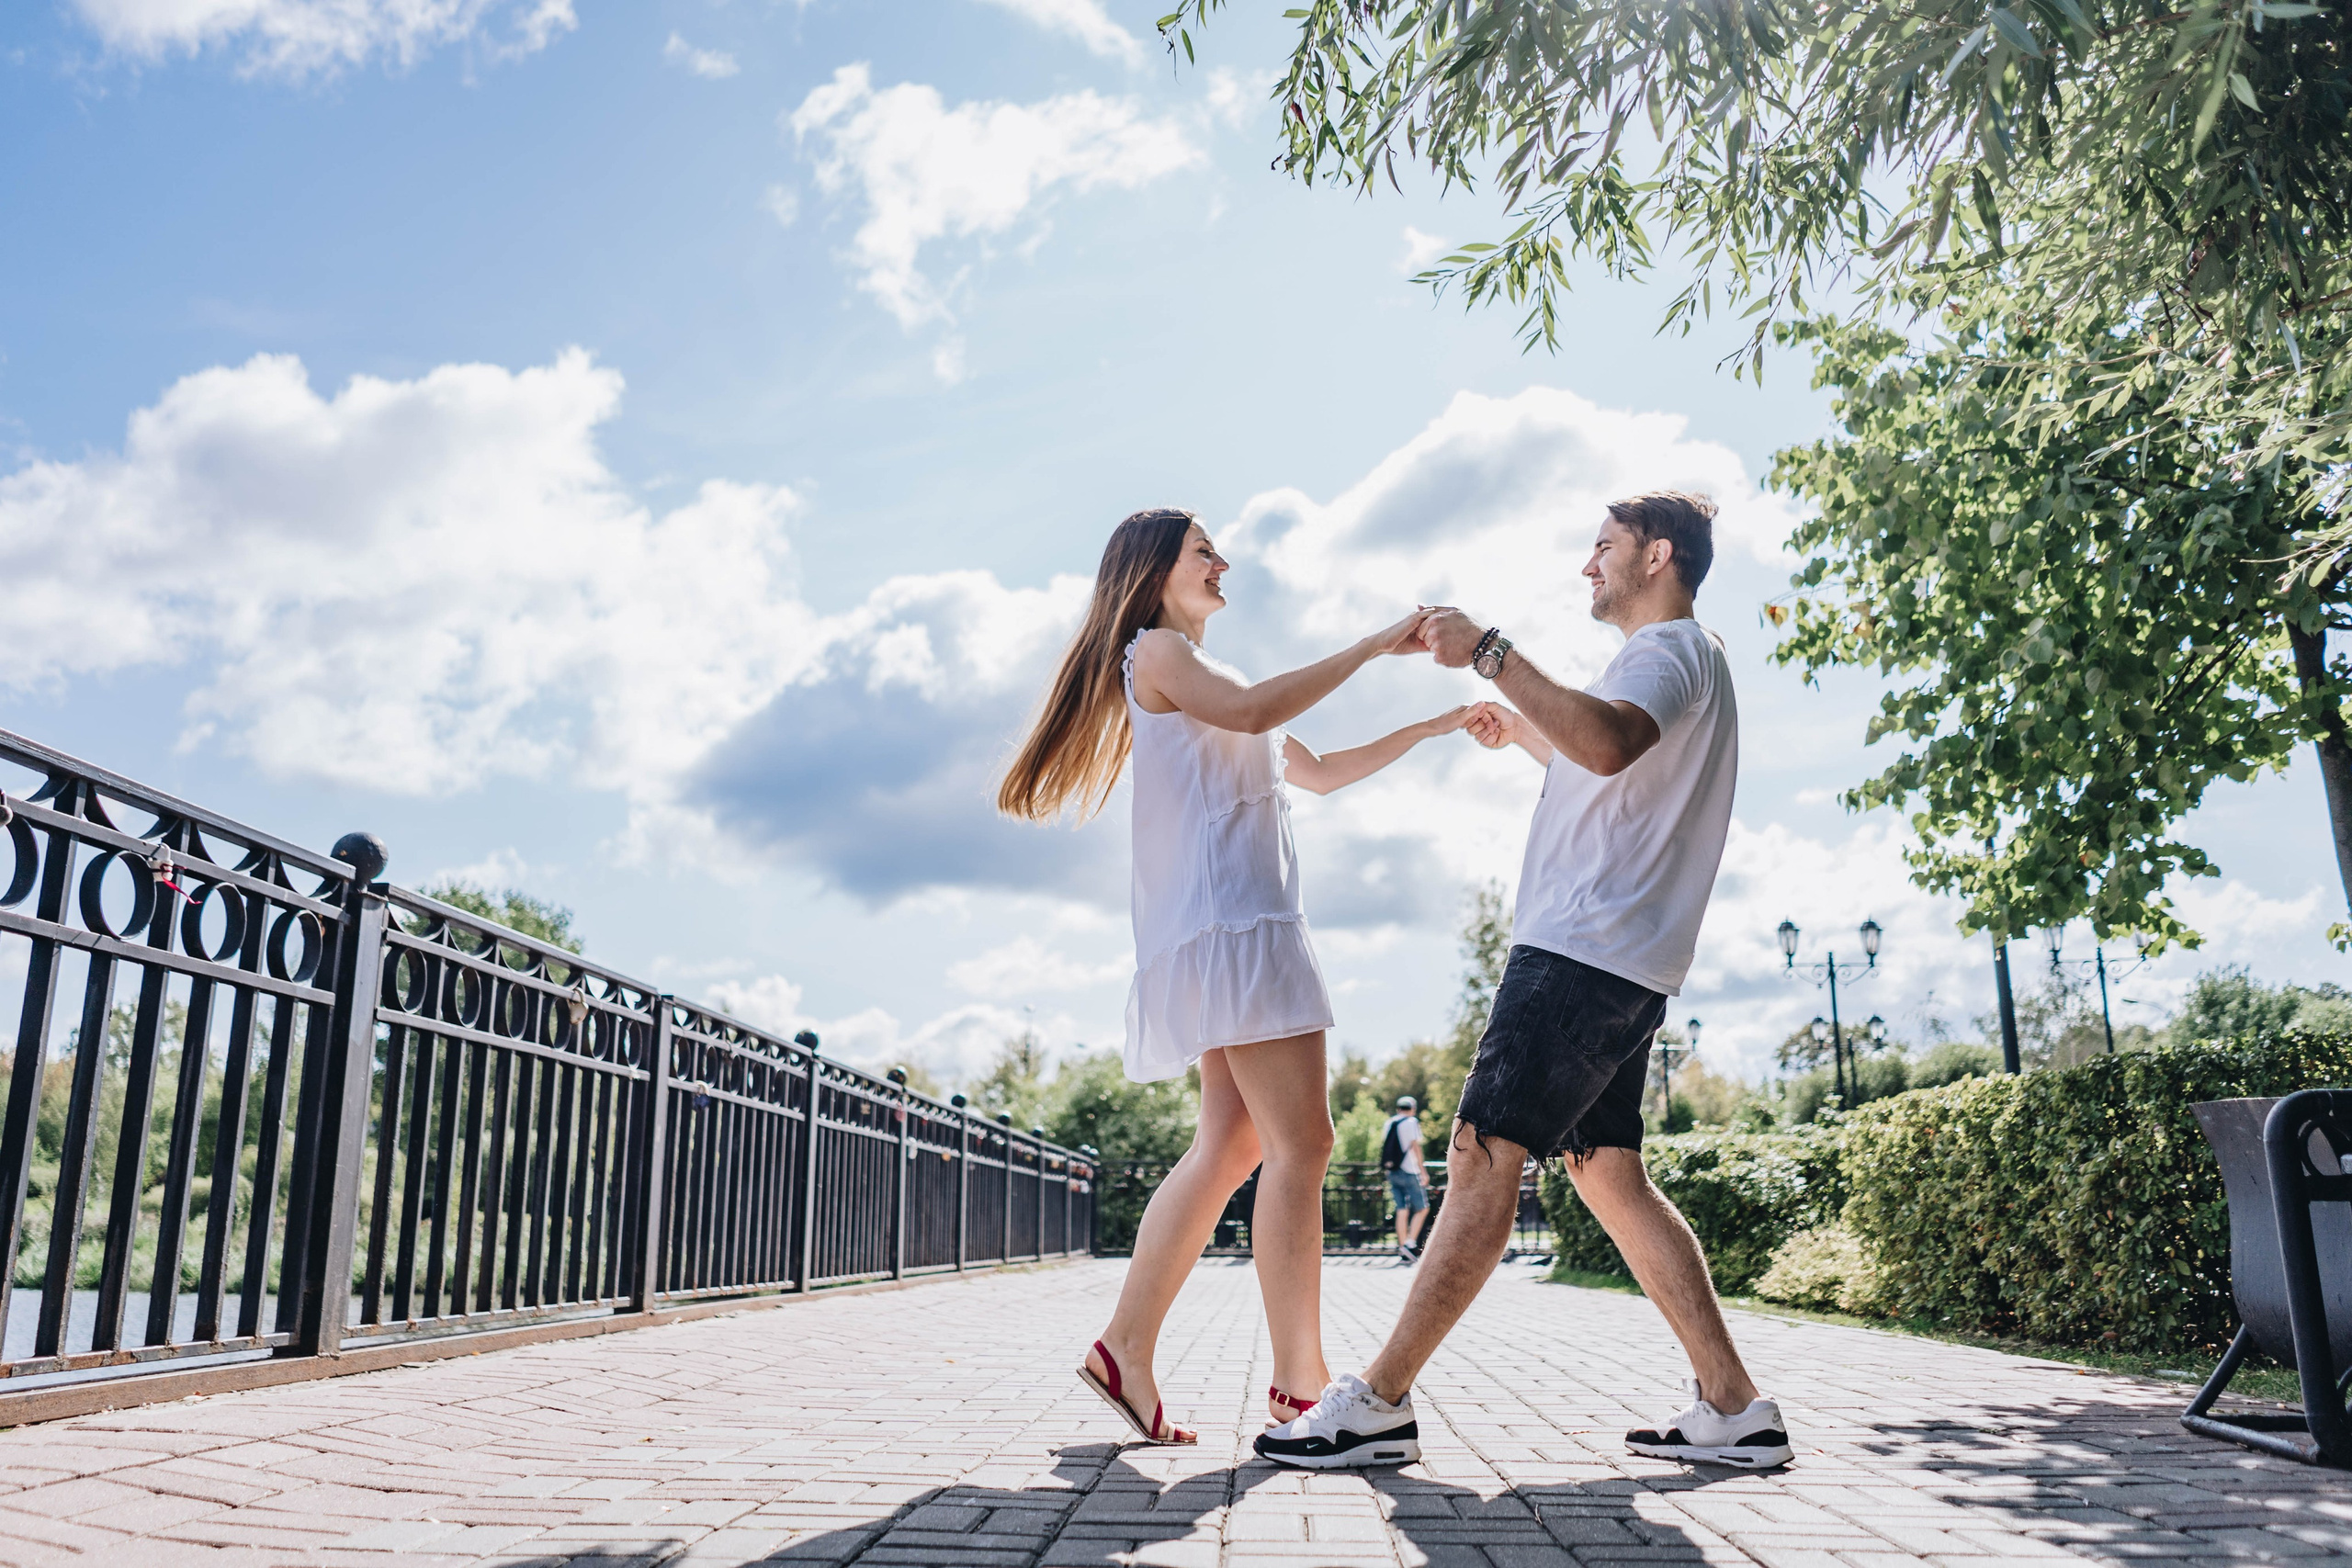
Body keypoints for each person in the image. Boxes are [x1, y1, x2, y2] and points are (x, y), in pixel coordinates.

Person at [1257, 491, 1793, 1472]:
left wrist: (1489, 650)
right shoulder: (1684, 662)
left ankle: (1376, 1401)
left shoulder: (1668, 649)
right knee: (1607, 1173)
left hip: (1580, 954)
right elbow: (1601, 758)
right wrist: (1526, 733)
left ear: (1656, 556)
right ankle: (1733, 1407)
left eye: (1602, 549)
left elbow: (1607, 743)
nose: (1587, 568)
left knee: (1478, 1155)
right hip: (1626, 959)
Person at [999, 506, 1473, 1444]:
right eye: (1201, 551)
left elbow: (1322, 770)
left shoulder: (1201, 676)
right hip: (1239, 928)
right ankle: (1303, 1386)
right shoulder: (1157, 654)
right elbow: (1260, 714)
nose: (1223, 563)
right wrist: (1380, 641)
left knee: (1232, 1147)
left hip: (1227, 930)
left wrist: (1438, 724)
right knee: (1304, 1144)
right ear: (1152, 572)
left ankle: (1123, 1352)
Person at [1378, 1096, 1429, 1262]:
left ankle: (1402, 1248)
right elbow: (1415, 1147)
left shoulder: (1389, 1123)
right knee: (1422, 1208)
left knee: (1402, 1209)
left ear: (1398, 1108)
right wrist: (1423, 1171)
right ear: (1412, 1109)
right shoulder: (1411, 1122)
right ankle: (1410, 1242)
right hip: (1409, 1171)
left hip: (1392, 1172)